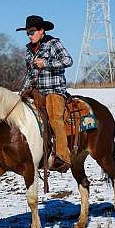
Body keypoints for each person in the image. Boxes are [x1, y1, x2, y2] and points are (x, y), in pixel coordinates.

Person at [17, 15, 73, 172]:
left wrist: (46, 63)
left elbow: (68, 60)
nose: (30, 35)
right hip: (36, 91)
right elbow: (30, 75)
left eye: (32, 32)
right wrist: (21, 94)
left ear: (42, 30)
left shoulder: (53, 43)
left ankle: (63, 156)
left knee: (55, 118)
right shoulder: (29, 50)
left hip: (54, 90)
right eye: (27, 32)